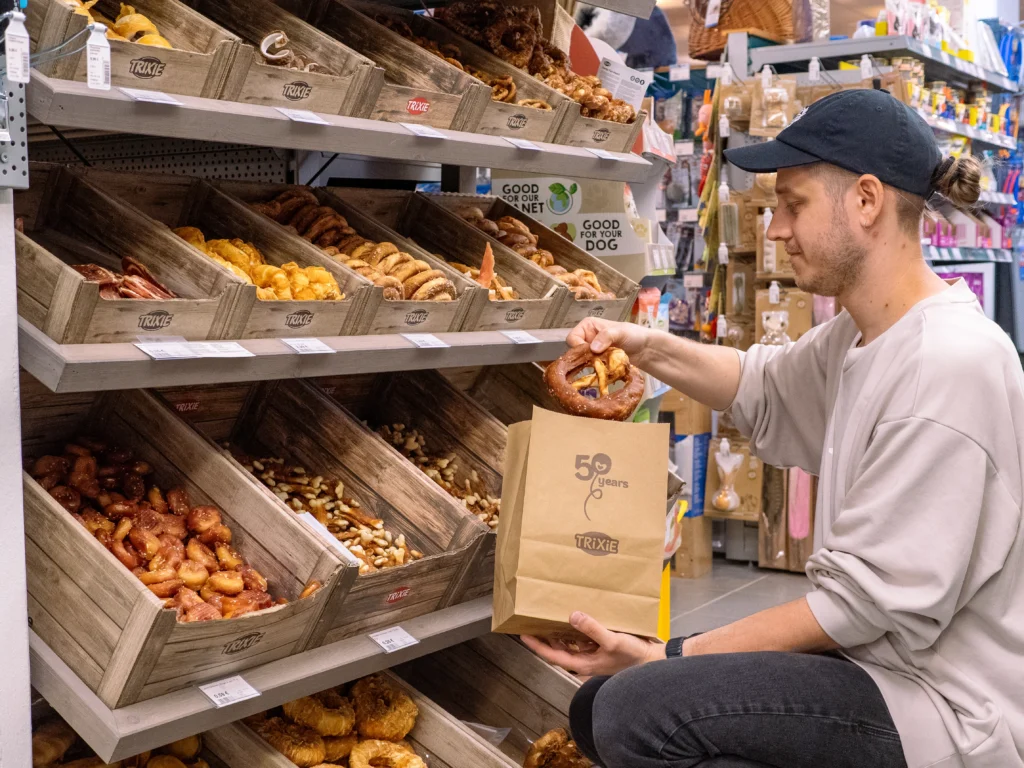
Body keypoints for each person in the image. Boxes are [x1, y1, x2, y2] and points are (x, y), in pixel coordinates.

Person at [523, 89, 1024, 768]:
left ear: (867, 201)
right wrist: (640, 344)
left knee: (632, 710)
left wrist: (669, 656)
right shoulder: (861, 334)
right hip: (875, 666)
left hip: (943, 711)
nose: (777, 228)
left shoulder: (949, 365)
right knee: (609, 702)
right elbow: (760, 383)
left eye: (794, 204)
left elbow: (854, 607)